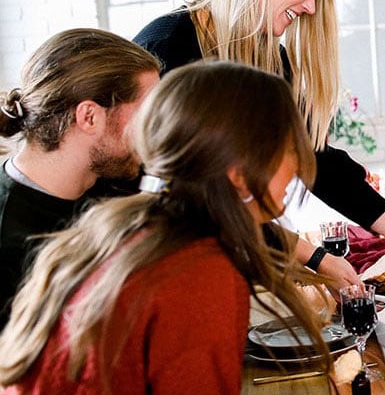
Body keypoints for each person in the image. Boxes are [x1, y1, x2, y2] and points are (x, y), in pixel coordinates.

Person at [0, 61, 331, 394]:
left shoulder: (127, 225)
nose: (298, 166)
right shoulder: (199, 275)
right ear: (239, 173)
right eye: (289, 149)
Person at [132, 0, 385, 285]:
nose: (311, 7)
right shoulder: (166, 46)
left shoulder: (272, 60)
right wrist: (313, 256)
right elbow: (191, 200)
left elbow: (312, 157)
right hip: (172, 266)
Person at [0, 29, 160, 329]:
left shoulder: (116, 184)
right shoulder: (9, 244)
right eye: (147, 116)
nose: (155, 132)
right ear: (89, 117)